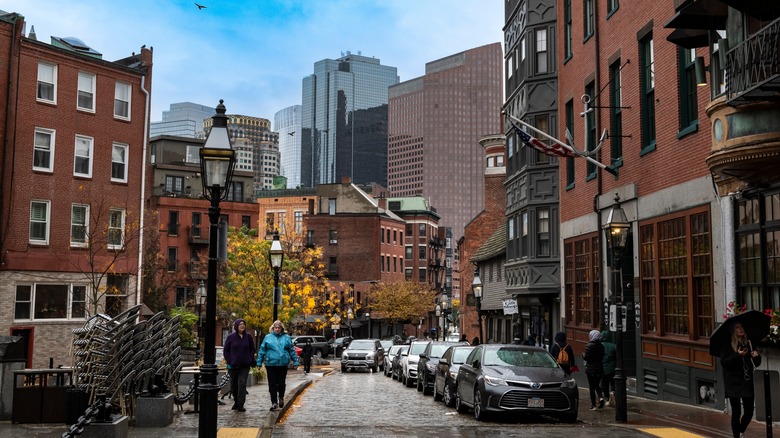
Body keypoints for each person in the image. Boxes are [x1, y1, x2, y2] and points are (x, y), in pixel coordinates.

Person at [720, 322, 761, 438]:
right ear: (733, 331)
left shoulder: (749, 343)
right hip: (733, 382)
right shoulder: (727, 345)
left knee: (749, 412)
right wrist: (738, 355)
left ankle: (741, 430)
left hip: (747, 381)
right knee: (736, 412)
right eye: (737, 327)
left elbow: (757, 363)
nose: (740, 329)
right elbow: (724, 362)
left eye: (742, 327)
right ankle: (736, 436)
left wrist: (756, 356)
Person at [257, 320, 298, 411]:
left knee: (281, 383)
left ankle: (281, 397)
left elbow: (292, 350)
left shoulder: (286, 338)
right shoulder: (268, 337)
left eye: (279, 328)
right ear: (273, 328)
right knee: (272, 384)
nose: (277, 329)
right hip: (270, 364)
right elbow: (262, 350)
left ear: (281, 328)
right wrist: (259, 363)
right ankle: (274, 402)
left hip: (282, 364)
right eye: (275, 327)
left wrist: (295, 361)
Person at [223, 318, 255, 412]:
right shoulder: (231, 337)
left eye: (243, 324)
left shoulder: (248, 337)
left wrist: (250, 357)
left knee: (242, 384)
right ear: (236, 326)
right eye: (240, 324)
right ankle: (236, 401)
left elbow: (252, 349)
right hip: (233, 366)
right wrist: (229, 360)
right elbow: (226, 350)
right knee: (234, 385)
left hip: (245, 365)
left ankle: (241, 404)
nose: (242, 325)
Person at [582, 329, 606, 410]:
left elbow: (587, 357)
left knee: (591, 387)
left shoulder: (589, 346)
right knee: (597, 385)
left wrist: (583, 355)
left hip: (590, 369)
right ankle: (600, 397)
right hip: (599, 368)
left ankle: (593, 405)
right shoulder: (601, 346)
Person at [601, 330, 617, 407]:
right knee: (613, 382)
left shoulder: (600, 346)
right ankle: (613, 392)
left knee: (604, 383)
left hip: (603, 368)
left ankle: (607, 398)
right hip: (612, 368)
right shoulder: (614, 346)